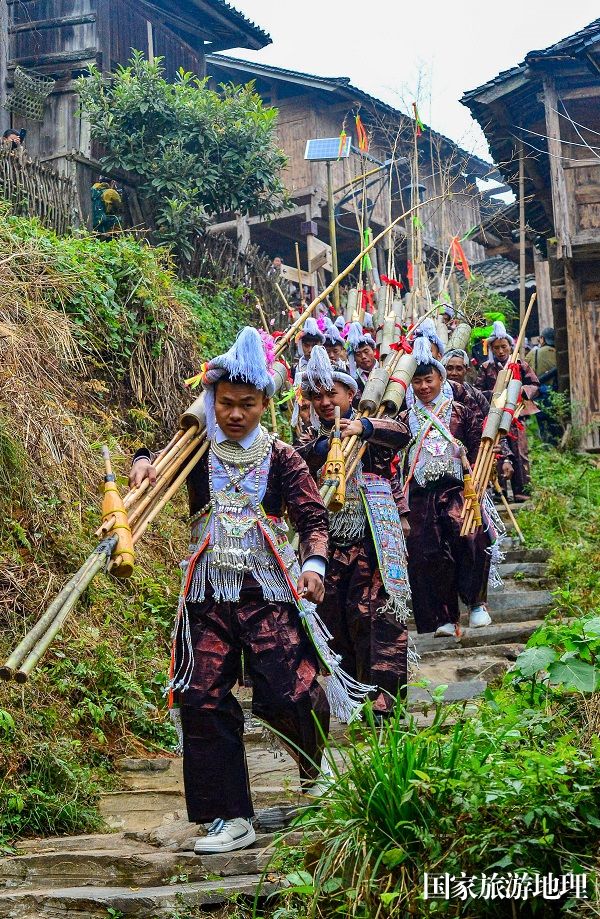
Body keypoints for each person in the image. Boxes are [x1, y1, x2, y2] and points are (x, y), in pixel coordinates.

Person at [129, 328, 335, 855]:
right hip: (207, 592)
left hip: (266, 588)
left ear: (265, 402)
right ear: (211, 400)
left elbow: (312, 517)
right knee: (200, 696)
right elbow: (153, 452)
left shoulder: (283, 457)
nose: (235, 414)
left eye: (247, 404)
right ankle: (229, 815)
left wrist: (312, 563)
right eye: (226, 403)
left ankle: (319, 770)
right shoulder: (194, 449)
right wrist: (143, 462)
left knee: (288, 689)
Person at [297, 346, 411, 717]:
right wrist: (324, 445)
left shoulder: (371, 423)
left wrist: (363, 428)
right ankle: (351, 697)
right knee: (336, 618)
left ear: (351, 394)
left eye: (334, 394)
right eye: (318, 396)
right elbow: (298, 462)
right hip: (329, 541)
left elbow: (402, 434)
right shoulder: (308, 440)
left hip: (373, 536)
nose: (326, 402)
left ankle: (385, 703)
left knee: (378, 615)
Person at [400, 337, 492, 637]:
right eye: (417, 382)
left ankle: (476, 603)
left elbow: (479, 447)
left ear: (441, 378)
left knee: (471, 537)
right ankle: (444, 617)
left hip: (458, 489)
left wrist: (478, 481)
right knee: (428, 553)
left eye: (429, 380)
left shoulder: (460, 411)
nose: (424, 387)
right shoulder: (405, 418)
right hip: (421, 494)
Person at [475, 321, 539, 502]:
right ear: (492, 349)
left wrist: (520, 392)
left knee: (520, 452)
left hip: (517, 414)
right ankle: (499, 491)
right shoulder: (486, 368)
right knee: (497, 451)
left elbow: (535, 384)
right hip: (496, 414)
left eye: (504, 347)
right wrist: (496, 394)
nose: (501, 351)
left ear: (511, 346)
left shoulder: (520, 365)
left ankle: (523, 492)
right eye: (496, 348)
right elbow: (478, 391)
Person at [527, 328, 560, 444]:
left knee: (542, 423)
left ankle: (546, 445)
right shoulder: (559, 353)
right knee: (555, 422)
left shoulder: (534, 352)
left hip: (539, 392)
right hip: (556, 393)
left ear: (542, 339)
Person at [346, 321, 378, 395]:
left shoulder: (385, 368)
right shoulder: (352, 377)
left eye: (366, 352)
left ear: (374, 351)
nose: (363, 357)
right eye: (358, 354)